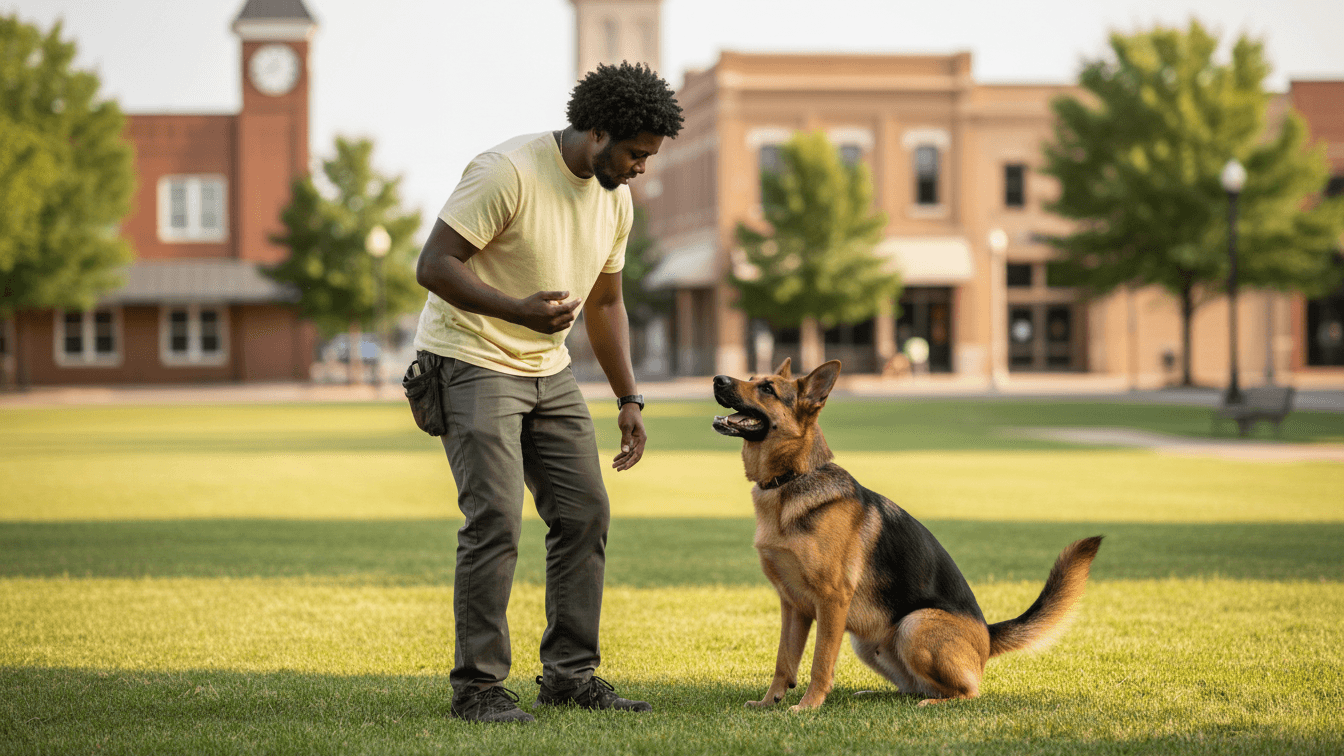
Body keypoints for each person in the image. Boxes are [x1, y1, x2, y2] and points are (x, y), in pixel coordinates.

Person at [412, 62, 683, 724]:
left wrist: (628, 398)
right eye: (635, 152)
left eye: (650, 155)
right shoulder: (506, 171)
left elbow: (607, 301)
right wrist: (516, 310)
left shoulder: (615, 198)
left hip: (548, 367)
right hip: (470, 358)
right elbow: (433, 264)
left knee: (584, 512)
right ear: (596, 132)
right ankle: (476, 688)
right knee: (495, 520)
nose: (642, 166)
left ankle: (569, 674)